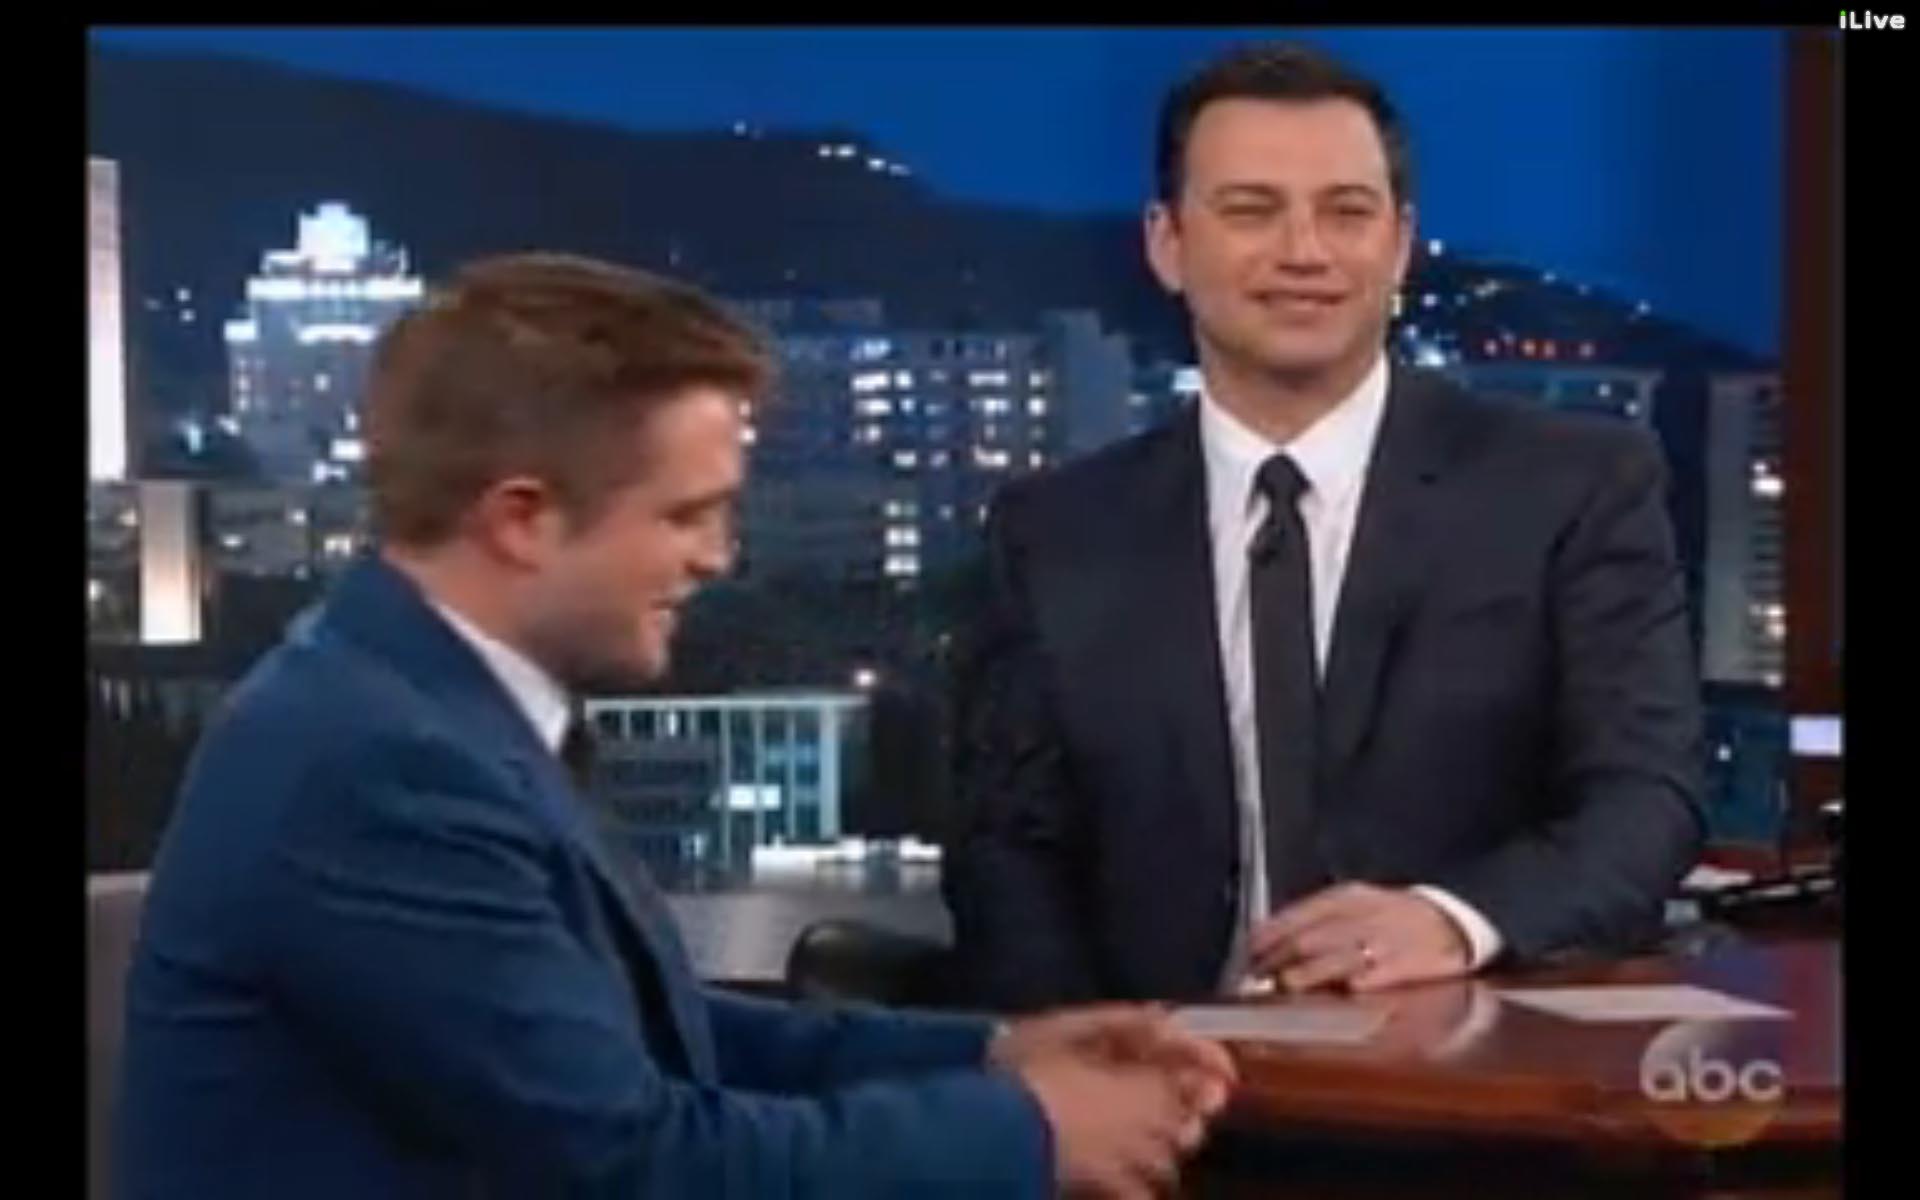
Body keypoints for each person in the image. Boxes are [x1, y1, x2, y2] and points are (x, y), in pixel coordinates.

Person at [113, 253, 1234, 1198]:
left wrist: (993, 1054)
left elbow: (656, 1044)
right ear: (522, 519)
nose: (719, 557)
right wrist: (1029, 1134)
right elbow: (640, 1167)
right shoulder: (377, 766)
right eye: (688, 515)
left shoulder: (424, 704)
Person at [944, 42, 1704, 1011]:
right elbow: (1007, 853)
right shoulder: (1055, 532)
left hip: (1466, 1065)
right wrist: (1093, 1051)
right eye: (1251, 210)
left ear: (1400, 242)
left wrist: (1452, 920)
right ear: (1167, 243)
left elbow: (1644, 801)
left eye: (1347, 212)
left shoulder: (1573, 488)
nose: (1304, 252)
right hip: (1160, 1064)